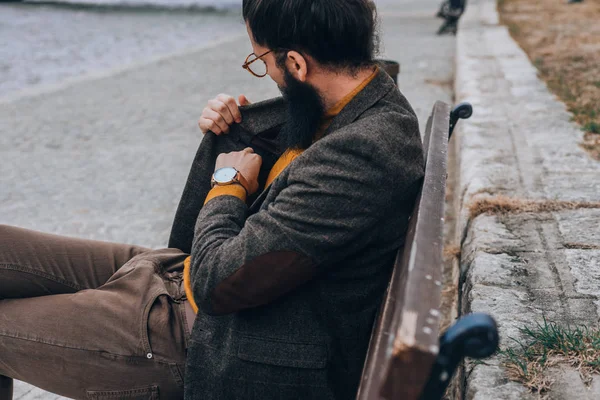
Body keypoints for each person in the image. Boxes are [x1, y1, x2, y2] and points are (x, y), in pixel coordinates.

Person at [0, 0, 424, 399]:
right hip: (176, 277)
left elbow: (218, 282)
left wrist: (226, 183)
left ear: (296, 63)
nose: (267, 76)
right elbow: (292, 192)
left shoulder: (364, 151)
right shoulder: (354, 103)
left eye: (261, 61)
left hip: (199, 335)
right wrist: (236, 128)